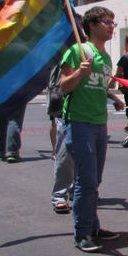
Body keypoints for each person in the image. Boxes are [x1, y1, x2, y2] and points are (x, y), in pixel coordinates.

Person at [60, 7, 124, 252]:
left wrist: (112, 98)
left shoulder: (106, 58)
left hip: (99, 123)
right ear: (92, 25)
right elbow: (64, 87)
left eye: (113, 22)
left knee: (94, 180)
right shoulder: (78, 51)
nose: (111, 27)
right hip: (79, 122)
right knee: (86, 181)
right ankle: (82, 233)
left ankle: (93, 226)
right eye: (107, 22)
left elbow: (95, 85)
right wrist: (78, 72)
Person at [48, 60, 74, 214]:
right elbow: (63, 85)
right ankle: (59, 196)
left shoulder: (97, 54)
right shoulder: (68, 54)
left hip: (89, 116)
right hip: (67, 114)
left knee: (83, 159)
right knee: (64, 158)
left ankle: (77, 192)